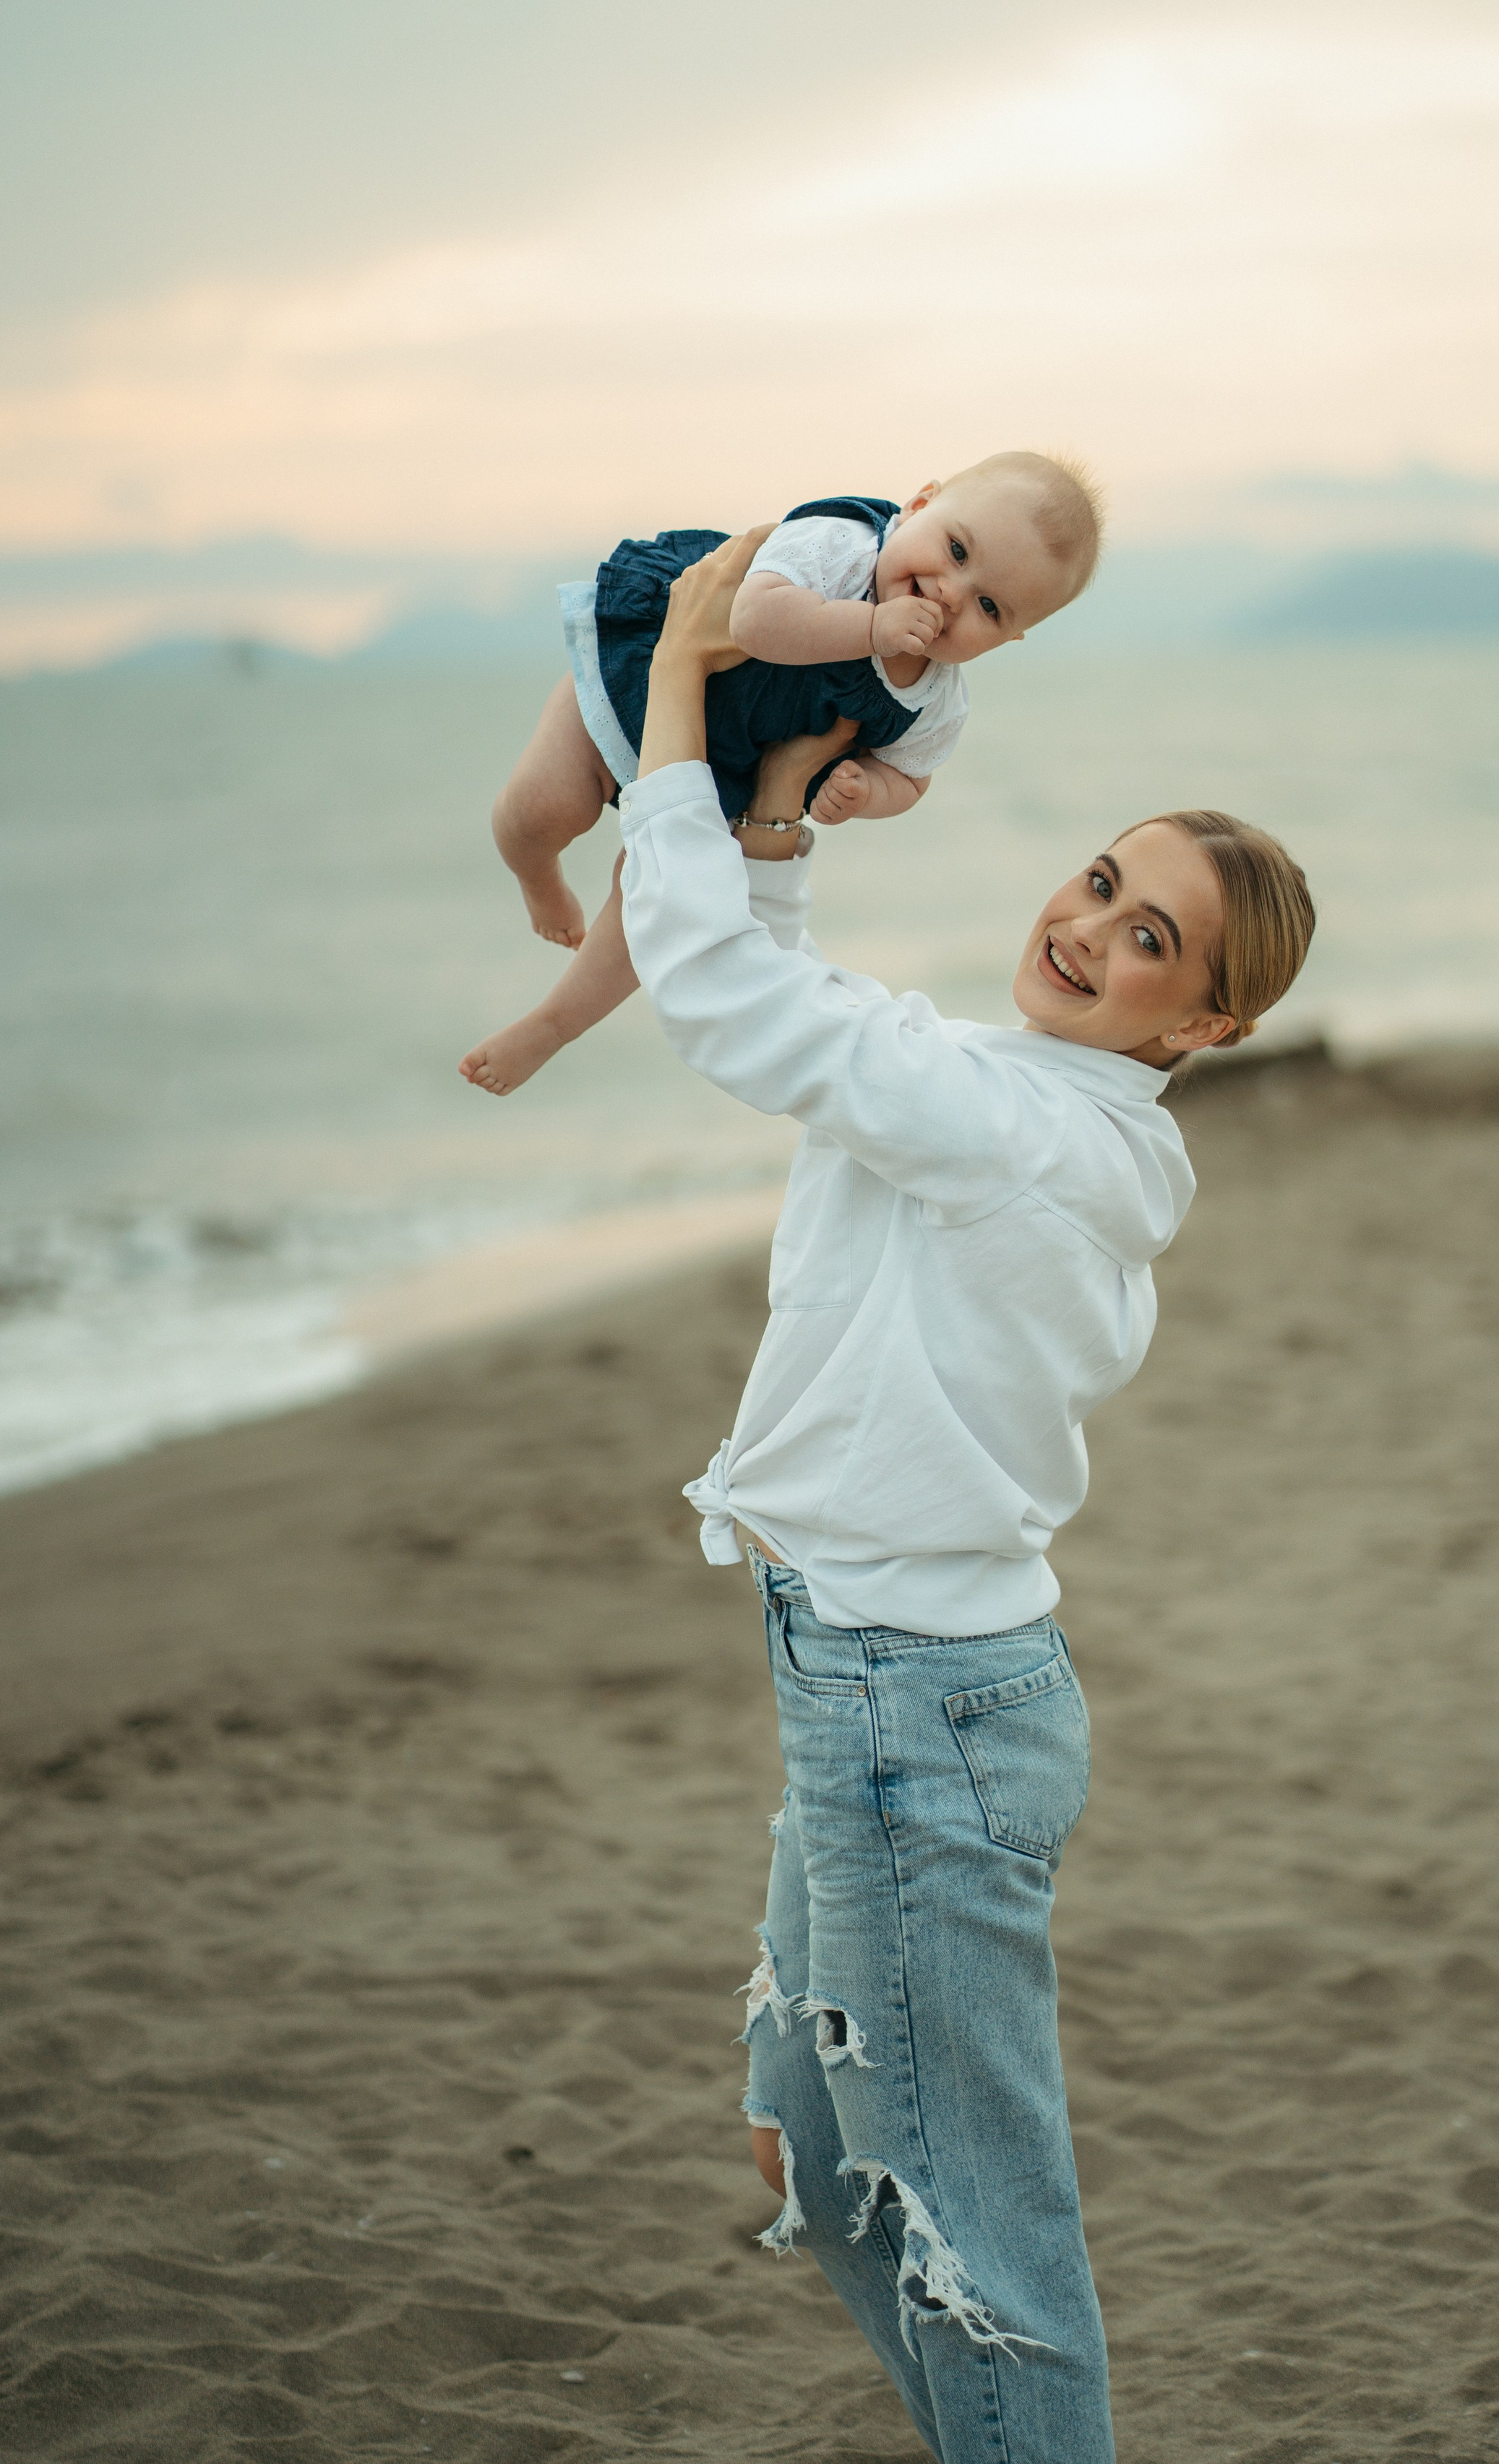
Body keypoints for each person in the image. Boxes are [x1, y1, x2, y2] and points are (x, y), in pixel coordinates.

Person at [616, 530, 1314, 2463]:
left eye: (1152, 940)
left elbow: (738, 1018)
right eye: (1104, 880)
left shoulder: (1014, 1126)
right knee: (831, 2165)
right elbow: (819, 1010)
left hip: (922, 1717)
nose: (1091, 928)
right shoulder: (1033, 1100)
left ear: (1204, 1030)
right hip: (865, 1675)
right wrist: (773, 813)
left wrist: (681, 680)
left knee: (982, 2240)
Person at [460, 452, 1103, 1096]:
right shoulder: (842, 549)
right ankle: (535, 874)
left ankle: (551, 1026)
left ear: (1010, 638)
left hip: (716, 776)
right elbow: (753, 619)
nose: (949, 593)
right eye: (956, 549)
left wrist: (865, 792)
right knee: (545, 808)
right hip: (641, 684)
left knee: (657, 904)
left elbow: (911, 778)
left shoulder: (937, 698)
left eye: (989, 606)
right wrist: (874, 626)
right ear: (919, 505)